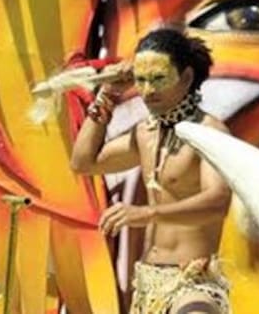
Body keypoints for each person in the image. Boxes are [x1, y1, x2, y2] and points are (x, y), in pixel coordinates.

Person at [71, 29, 233, 314]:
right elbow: (84, 162)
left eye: (159, 79)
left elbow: (218, 202)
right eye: (141, 80)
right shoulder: (145, 134)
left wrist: (145, 213)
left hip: (193, 282)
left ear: (186, 78)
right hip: (147, 285)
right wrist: (107, 95)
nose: (147, 91)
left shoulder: (209, 131)